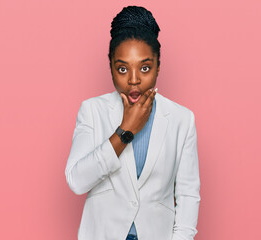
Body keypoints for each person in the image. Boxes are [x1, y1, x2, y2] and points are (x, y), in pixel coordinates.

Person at [65, 5, 200, 240]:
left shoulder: (181, 119)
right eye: (123, 69)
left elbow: (188, 195)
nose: (134, 80)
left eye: (145, 67)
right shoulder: (92, 111)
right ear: (111, 67)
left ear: (159, 65)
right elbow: (77, 181)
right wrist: (125, 131)